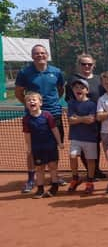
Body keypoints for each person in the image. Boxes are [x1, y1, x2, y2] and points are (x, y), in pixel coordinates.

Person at [15, 44, 65, 193]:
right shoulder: (25, 72)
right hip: (33, 117)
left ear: (47, 55)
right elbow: (19, 92)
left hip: (54, 114)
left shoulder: (56, 72)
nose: (40, 55)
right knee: (32, 149)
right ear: (32, 56)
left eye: (42, 53)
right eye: (36, 53)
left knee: (54, 145)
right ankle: (31, 179)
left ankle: (53, 176)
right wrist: (31, 106)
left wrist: (50, 104)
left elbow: (60, 90)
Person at [22, 92, 63, 198]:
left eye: (34, 100)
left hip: (50, 146)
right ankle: (40, 189)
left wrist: (59, 142)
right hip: (37, 148)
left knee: (52, 167)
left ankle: (54, 187)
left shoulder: (47, 115)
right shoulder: (26, 119)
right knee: (39, 169)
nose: (31, 102)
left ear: (40, 103)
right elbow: (27, 134)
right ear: (26, 104)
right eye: (29, 100)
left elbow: (54, 129)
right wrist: (29, 148)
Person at [67, 79, 99, 194]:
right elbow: (70, 120)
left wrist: (78, 118)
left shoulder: (92, 104)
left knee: (90, 160)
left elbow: (91, 120)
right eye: (76, 87)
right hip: (75, 137)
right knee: (72, 156)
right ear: (73, 90)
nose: (78, 89)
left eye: (81, 87)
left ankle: (90, 182)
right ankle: (75, 179)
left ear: (87, 90)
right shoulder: (71, 103)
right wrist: (83, 119)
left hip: (90, 137)